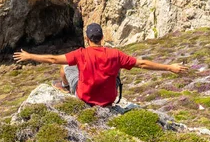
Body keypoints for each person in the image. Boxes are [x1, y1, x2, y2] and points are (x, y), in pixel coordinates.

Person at [13, 23, 189, 107]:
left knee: (65, 67)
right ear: (102, 38)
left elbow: (53, 59)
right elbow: (142, 63)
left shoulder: (81, 53)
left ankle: (66, 87)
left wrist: (29, 56)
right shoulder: (115, 54)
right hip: (107, 100)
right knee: (112, 68)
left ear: (87, 39)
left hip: (85, 98)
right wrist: (169, 67)